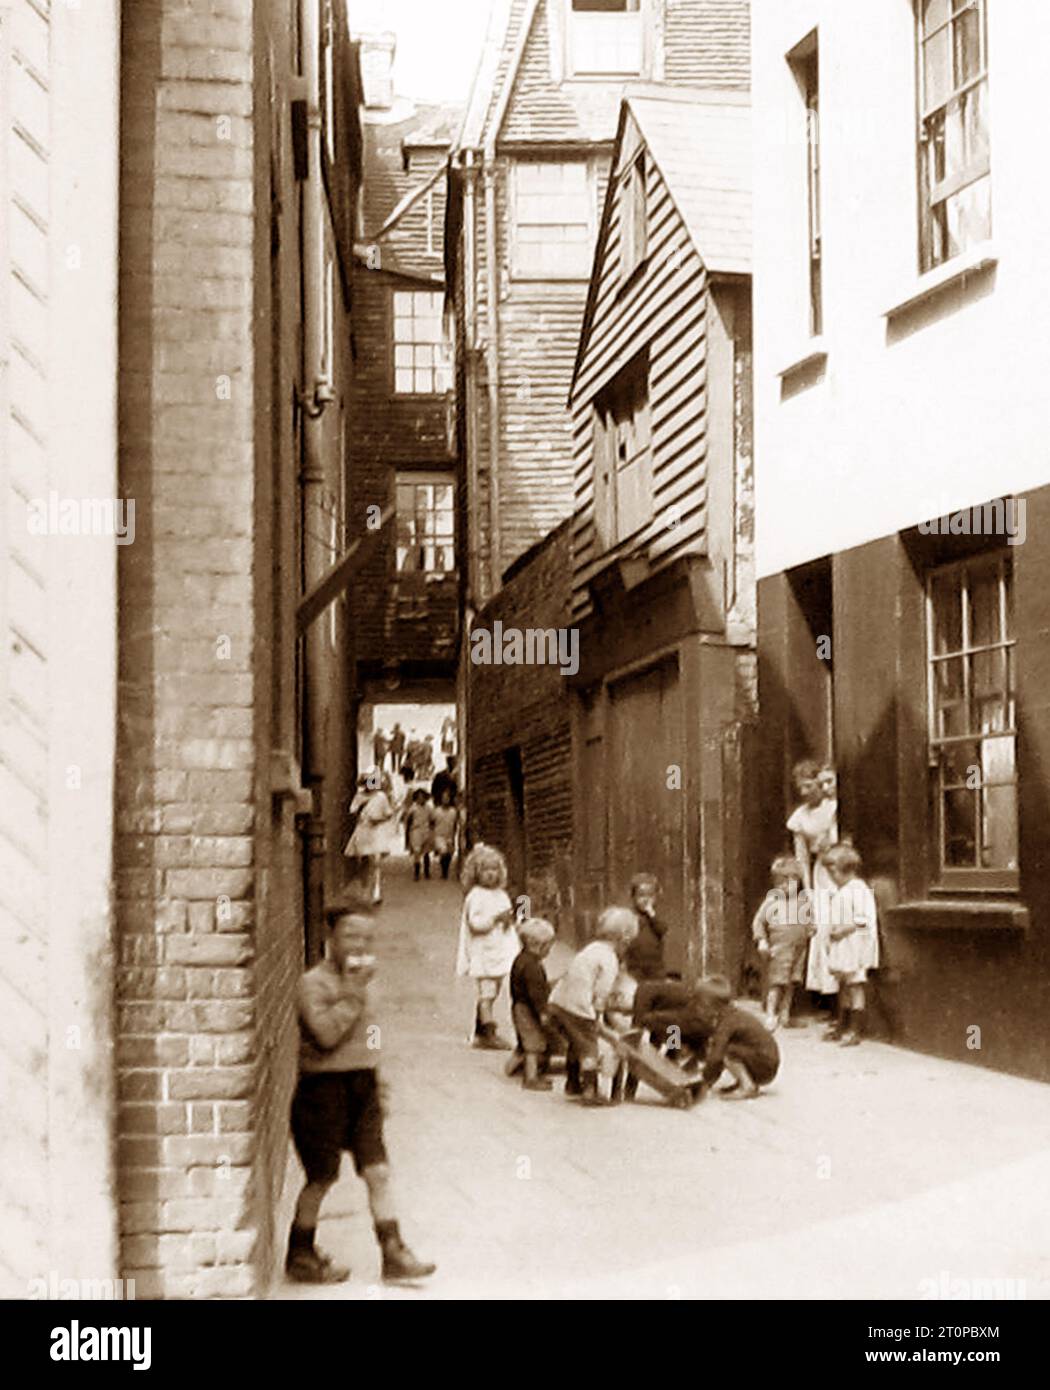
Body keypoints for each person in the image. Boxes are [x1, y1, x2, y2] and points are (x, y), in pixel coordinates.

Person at [286, 902, 435, 1285]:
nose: (360, 945)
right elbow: (326, 1035)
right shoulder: (312, 984)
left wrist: (375, 1071)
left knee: (379, 1172)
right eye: (351, 936)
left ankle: (393, 1252)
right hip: (323, 1090)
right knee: (321, 1178)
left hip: (361, 1087)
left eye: (368, 938)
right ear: (330, 938)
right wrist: (353, 993)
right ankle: (300, 1253)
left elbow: (370, 1030)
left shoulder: (366, 984)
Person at [548, 906, 638, 1107]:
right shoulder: (609, 959)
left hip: (559, 1001)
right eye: (629, 942)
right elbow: (601, 992)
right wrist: (599, 1018)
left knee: (575, 1041)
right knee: (590, 1048)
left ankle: (572, 1083)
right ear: (624, 939)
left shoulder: (590, 949)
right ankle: (590, 1091)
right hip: (579, 1007)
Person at [637, 976, 780, 1101]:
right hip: (765, 1061)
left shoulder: (726, 1022)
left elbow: (716, 1057)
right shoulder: (728, 1015)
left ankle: (747, 1086)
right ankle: (744, 1081)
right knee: (722, 1049)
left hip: (765, 1064)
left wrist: (705, 1082)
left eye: (702, 1007)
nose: (699, 1010)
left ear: (711, 1007)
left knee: (726, 1051)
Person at [787, 759, 839, 1001]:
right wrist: (807, 890)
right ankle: (830, 995)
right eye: (801, 788)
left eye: (809, 786)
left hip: (839, 869)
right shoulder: (800, 817)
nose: (805, 792)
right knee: (823, 929)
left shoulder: (834, 808)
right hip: (821, 874)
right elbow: (801, 857)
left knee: (842, 926)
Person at [456, 844, 518, 1050]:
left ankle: (480, 1031)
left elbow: (507, 914)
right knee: (487, 993)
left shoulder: (500, 894)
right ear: (476, 872)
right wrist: (495, 919)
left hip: (497, 951)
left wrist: (510, 920)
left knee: (492, 991)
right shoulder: (476, 896)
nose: (491, 874)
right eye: (485, 870)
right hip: (485, 953)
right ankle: (489, 1033)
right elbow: (476, 924)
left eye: (494, 870)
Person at [823, 843, 880, 1046]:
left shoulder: (858, 889)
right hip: (842, 945)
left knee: (855, 985)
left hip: (854, 944)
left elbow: (863, 918)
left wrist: (843, 930)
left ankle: (855, 1030)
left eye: (834, 872)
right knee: (843, 986)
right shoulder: (842, 890)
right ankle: (842, 1023)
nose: (832, 877)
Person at [752, 855, 815, 1031]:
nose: (784, 886)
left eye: (790, 882)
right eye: (780, 882)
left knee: (791, 982)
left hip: (799, 948)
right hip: (780, 947)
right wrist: (762, 940)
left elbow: (809, 920)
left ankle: (785, 1013)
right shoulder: (772, 900)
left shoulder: (803, 901)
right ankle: (771, 1013)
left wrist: (811, 928)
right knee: (777, 982)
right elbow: (758, 922)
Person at [508, 918, 560, 1091]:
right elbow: (536, 994)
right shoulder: (533, 967)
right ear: (537, 944)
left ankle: (512, 1067)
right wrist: (544, 1013)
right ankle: (531, 1078)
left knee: (525, 1042)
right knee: (534, 1044)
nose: (549, 951)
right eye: (548, 947)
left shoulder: (521, 959)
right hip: (528, 1009)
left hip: (519, 1006)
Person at [345, 774, 397, 904]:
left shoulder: (381, 797)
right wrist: (360, 806)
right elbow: (352, 811)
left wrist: (379, 820)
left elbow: (389, 814)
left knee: (375, 862)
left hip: (376, 832)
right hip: (363, 831)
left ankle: (376, 892)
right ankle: (364, 889)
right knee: (363, 861)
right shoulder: (359, 797)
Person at [623, 871, 668, 983]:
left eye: (650, 895)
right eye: (641, 895)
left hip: (655, 966)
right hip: (635, 965)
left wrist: (652, 914)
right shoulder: (629, 916)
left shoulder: (655, 917)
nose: (646, 900)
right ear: (633, 897)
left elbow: (662, 930)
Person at [405, 789, 435, 881]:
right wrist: (408, 836)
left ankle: (427, 871)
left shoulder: (429, 808)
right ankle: (416, 873)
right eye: (419, 797)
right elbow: (408, 822)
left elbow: (432, 820)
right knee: (417, 852)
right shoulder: (413, 809)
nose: (421, 799)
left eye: (422, 797)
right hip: (416, 831)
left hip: (426, 830)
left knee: (426, 852)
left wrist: (431, 832)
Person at [431, 788, 459, 880]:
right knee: (443, 853)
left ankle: (446, 870)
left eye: (447, 798)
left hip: (449, 835)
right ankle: (444, 872)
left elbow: (455, 824)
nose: (445, 800)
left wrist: (454, 835)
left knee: (449, 854)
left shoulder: (453, 811)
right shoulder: (436, 811)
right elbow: (432, 823)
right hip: (439, 835)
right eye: (444, 798)